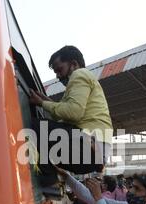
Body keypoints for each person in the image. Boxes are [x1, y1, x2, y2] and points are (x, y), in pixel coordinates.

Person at [29, 46, 113, 182]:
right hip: (92, 153)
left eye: (60, 69)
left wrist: (42, 104)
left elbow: (73, 113)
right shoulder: (80, 82)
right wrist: (47, 101)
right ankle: (49, 180)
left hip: (88, 148)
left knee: (33, 126)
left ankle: (48, 180)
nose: (58, 76)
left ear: (74, 64)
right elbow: (63, 114)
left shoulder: (79, 75)